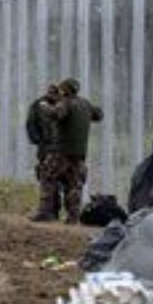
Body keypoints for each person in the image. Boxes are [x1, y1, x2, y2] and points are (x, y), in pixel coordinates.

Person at [51, 77, 103, 223]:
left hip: (63, 150)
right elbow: (99, 115)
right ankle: (73, 216)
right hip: (80, 152)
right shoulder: (85, 104)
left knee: (48, 178)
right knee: (74, 183)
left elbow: (57, 115)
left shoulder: (65, 103)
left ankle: (48, 212)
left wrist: (50, 105)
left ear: (65, 90)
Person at [25, 82, 63, 221]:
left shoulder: (61, 105)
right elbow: (31, 124)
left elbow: (30, 124)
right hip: (48, 148)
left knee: (54, 179)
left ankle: (53, 211)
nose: (52, 96)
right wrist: (38, 141)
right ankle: (50, 211)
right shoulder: (38, 105)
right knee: (47, 178)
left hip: (58, 148)